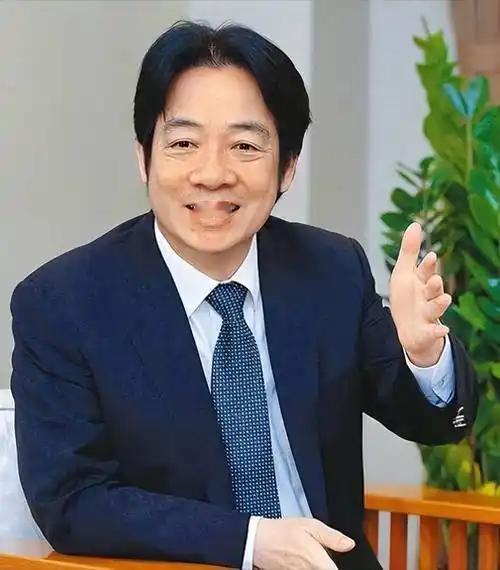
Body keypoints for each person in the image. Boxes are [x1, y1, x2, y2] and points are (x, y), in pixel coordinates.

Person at [10, 21, 477, 570]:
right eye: (183, 144)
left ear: (287, 168)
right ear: (144, 158)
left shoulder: (329, 270)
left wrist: (424, 356)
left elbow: (433, 422)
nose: (212, 174)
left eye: (245, 146)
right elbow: (72, 502)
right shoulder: (64, 304)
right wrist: (251, 541)